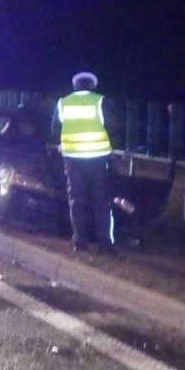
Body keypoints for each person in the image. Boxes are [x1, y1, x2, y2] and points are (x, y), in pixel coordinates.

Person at [52, 71, 116, 255]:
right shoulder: (100, 101)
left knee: (76, 201)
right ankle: (105, 245)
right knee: (102, 202)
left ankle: (80, 242)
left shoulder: (63, 103)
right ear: (92, 86)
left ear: (75, 86)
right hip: (97, 159)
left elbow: (54, 128)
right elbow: (114, 125)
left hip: (72, 160)